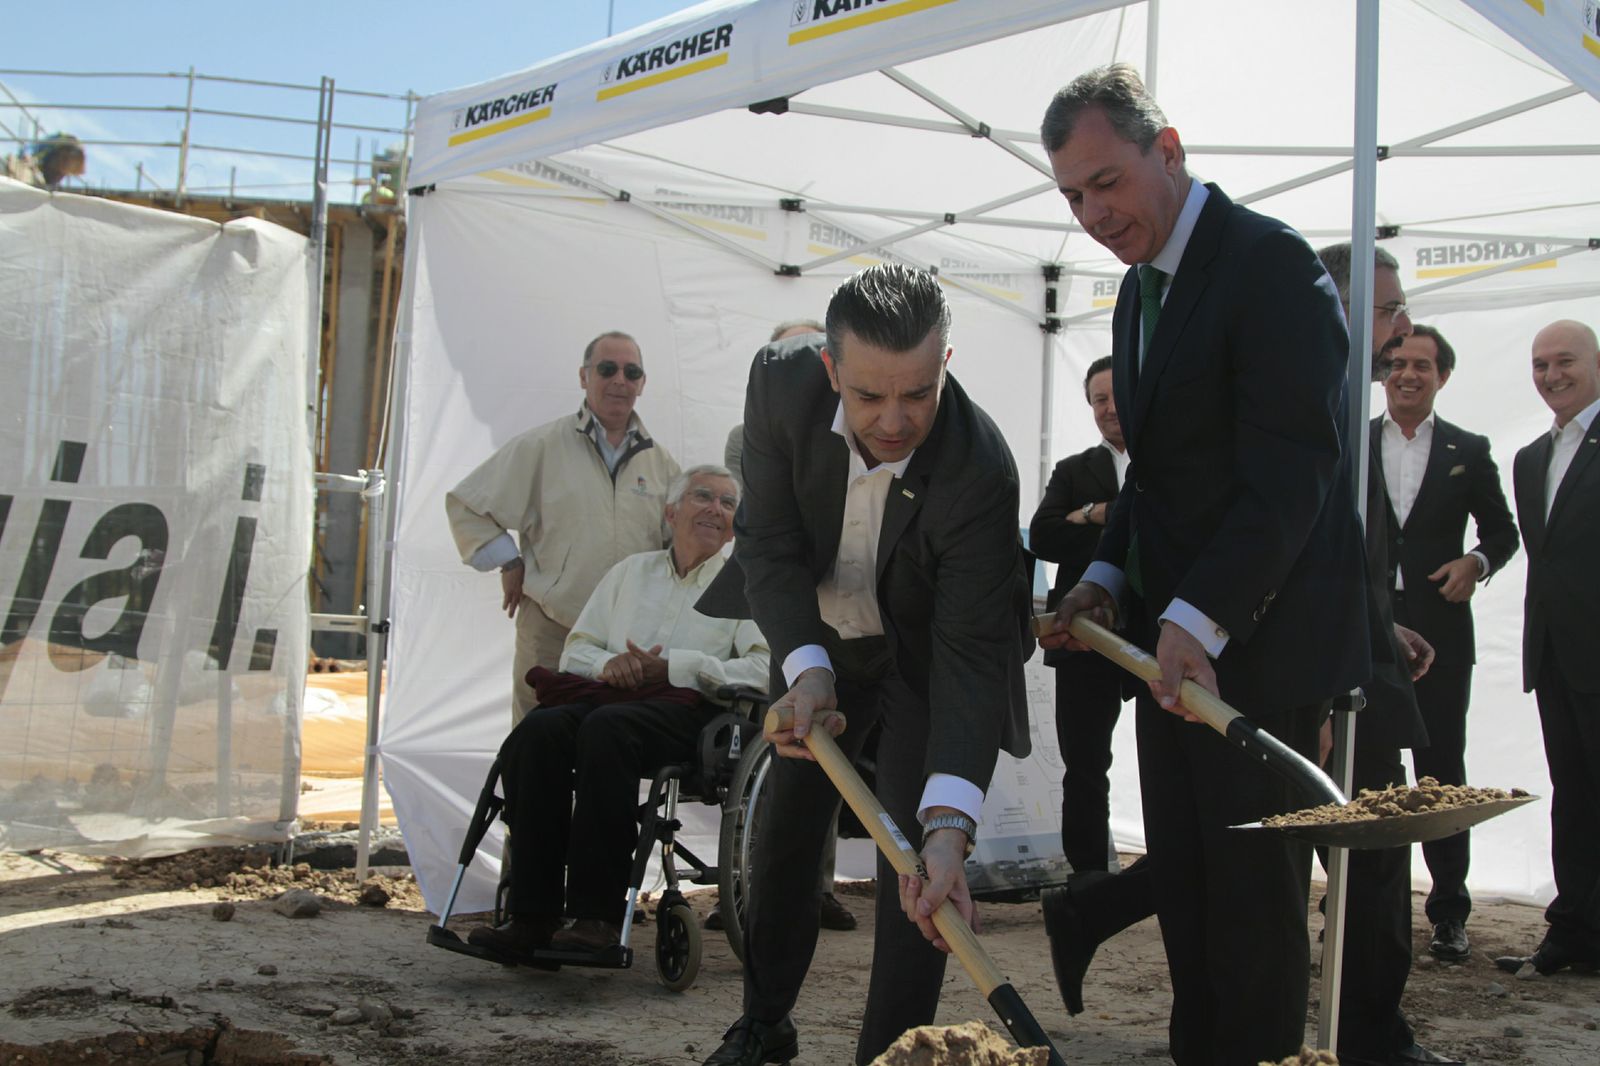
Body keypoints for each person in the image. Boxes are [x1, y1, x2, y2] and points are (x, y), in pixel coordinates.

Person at [1036, 66, 1370, 1065]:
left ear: (1167, 151)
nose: (1093, 213)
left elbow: (1293, 473)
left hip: (1254, 650)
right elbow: (1152, 481)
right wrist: (1107, 574)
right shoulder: (1136, 294)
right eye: (1071, 197)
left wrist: (1199, 614)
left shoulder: (1269, 265)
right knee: (1184, 888)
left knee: (1251, 907)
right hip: (1171, 653)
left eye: (1107, 183)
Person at [695, 263, 1034, 1066]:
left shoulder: (981, 471)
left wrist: (952, 828)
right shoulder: (780, 385)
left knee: (919, 866)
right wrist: (807, 666)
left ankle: (892, 1053)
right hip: (819, 639)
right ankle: (763, 1022)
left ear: (945, 363)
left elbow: (968, 659)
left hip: (922, 655)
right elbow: (770, 545)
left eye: (917, 394)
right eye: (869, 396)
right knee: (785, 835)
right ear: (829, 369)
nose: (894, 420)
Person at [466, 465, 769, 958]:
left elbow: (762, 670)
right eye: (703, 496)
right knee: (536, 732)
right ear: (671, 512)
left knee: (608, 731)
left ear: (734, 525)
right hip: (614, 699)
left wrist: (676, 668)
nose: (716, 509)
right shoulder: (630, 572)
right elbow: (576, 651)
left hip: (695, 717)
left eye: (728, 503)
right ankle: (532, 915)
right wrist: (614, 665)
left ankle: (595, 918)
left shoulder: (747, 586)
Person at [1314, 241, 1455, 1066]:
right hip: (1339, 678)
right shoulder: (1324, 403)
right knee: (1368, 859)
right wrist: (1341, 680)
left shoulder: (1338, 400)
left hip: (1362, 658)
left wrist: (1382, 627)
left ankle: (1373, 1024)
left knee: (1362, 853)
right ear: (1343, 306)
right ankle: (1372, 1034)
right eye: (1389, 308)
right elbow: (1311, 555)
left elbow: (1348, 555)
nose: (1401, 328)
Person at [1372, 322, 1519, 963]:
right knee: (1367, 768)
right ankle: (1357, 903)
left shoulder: (1468, 448)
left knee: (1440, 770)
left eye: (1422, 365)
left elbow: (1503, 531)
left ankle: (1449, 910)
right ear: (1382, 373)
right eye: (1398, 363)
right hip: (1366, 627)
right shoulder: (1351, 443)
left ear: (1442, 376)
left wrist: (1476, 563)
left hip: (1442, 630)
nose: (1408, 374)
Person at [445, 331, 680, 723]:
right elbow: (467, 505)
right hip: (554, 631)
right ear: (583, 376)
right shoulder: (540, 447)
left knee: (610, 748)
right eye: (607, 369)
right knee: (536, 746)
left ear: (642, 383)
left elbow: (679, 549)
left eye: (631, 371)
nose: (619, 380)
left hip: (626, 642)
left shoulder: (662, 465)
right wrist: (509, 562)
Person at [715, 316, 857, 935]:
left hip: (848, 606)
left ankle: (814, 887)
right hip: (785, 604)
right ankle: (761, 889)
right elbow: (776, 526)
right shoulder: (746, 437)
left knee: (822, 748)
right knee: (787, 744)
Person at [1496, 320, 1600, 977]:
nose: (1551, 375)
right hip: (1557, 655)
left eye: (1565, 361)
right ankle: (1573, 934)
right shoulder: (1530, 457)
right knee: (1574, 793)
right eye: (1539, 365)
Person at [1028, 355, 1132, 872]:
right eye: (1098, 399)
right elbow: (1045, 534)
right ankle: (1089, 875)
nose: (1109, 407)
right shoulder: (1073, 470)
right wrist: (1117, 524)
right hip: (1083, 636)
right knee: (1086, 764)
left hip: (1161, 635)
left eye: (1116, 393)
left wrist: (1096, 513)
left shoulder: (1172, 461)